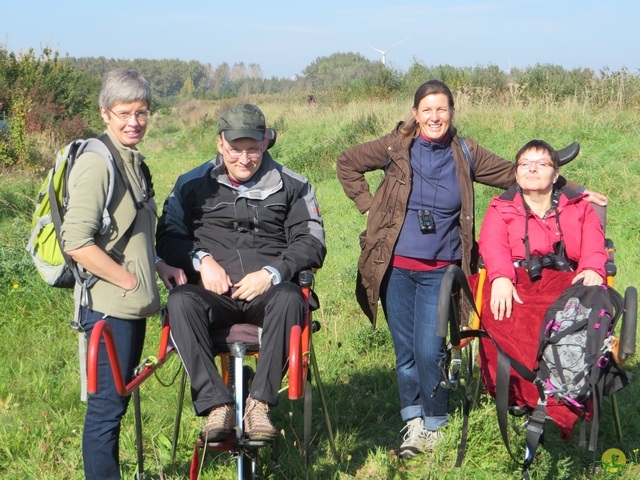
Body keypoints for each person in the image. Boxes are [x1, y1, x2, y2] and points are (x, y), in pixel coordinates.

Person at [336, 79, 606, 459]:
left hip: (442, 268)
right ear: (415, 114)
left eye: (442, 109)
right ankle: (413, 423)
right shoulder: (395, 147)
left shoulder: (465, 152)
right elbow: (347, 163)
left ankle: (437, 423)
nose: (434, 116)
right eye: (427, 109)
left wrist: (573, 189)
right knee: (405, 352)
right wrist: (371, 209)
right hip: (394, 267)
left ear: (452, 113)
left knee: (430, 349)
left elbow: (520, 172)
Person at [156, 103, 326, 442]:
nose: (244, 159)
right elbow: (167, 236)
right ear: (220, 143)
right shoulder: (190, 185)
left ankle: (258, 404)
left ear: (265, 143)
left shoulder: (294, 185)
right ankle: (216, 405)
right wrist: (200, 260)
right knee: (180, 300)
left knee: (291, 298)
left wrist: (273, 273)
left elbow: (312, 241)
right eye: (235, 149)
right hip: (213, 297)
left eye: (253, 149)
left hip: (269, 296)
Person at [61, 69, 186, 480]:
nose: (134, 121)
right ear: (105, 113)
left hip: (129, 309)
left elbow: (127, 234)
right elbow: (76, 242)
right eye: (124, 112)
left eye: (142, 111)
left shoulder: (131, 160)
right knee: (105, 411)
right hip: (107, 309)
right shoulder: (98, 163)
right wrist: (128, 280)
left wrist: (158, 265)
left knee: (116, 403)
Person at [479, 139, 607, 321]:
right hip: (517, 281)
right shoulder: (500, 207)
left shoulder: (580, 207)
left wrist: (592, 269)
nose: (532, 169)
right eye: (524, 164)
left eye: (542, 164)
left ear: (555, 176)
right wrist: (501, 277)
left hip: (569, 282)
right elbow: (493, 246)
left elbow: (593, 245)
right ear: (516, 174)